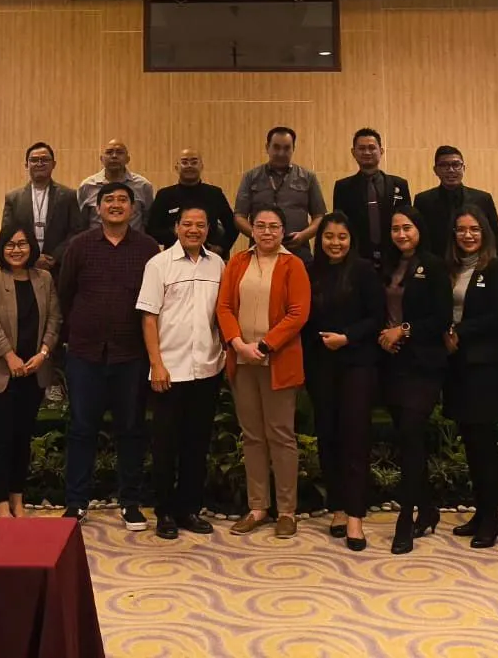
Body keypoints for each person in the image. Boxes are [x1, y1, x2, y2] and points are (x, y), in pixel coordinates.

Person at [56, 182, 162, 526]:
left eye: (123, 200)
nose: (116, 205)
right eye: (109, 200)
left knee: (131, 430)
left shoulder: (148, 248)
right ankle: (76, 502)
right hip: (85, 354)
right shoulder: (79, 245)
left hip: (131, 355)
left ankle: (130, 502)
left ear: (133, 208)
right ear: (97, 208)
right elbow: (65, 294)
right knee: (81, 429)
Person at [217, 205, 311, 539]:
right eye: (260, 226)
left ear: (283, 231)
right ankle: (258, 507)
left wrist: (266, 345)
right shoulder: (237, 262)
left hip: (277, 361)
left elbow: (298, 313)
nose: (267, 232)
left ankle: (286, 511)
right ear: (251, 230)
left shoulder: (293, 264)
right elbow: (224, 307)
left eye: (273, 226)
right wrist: (237, 344)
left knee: (281, 436)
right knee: (253, 436)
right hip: (242, 360)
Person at [137, 205, 226, 539]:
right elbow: (149, 318)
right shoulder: (158, 264)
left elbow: (223, 313)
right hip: (170, 370)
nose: (193, 230)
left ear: (208, 229)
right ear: (176, 227)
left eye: (200, 225)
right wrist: (156, 364)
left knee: (196, 444)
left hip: (207, 368)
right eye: (187, 224)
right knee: (165, 446)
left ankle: (189, 509)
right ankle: (165, 512)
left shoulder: (218, 264)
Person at [303, 211, 383, 551]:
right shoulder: (309, 271)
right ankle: (336, 506)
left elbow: (377, 317)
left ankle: (355, 516)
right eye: (329, 236)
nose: (335, 243)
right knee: (328, 436)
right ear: (319, 239)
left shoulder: (364, 270)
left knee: (354, 438)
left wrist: (347, 337)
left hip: (357, 364)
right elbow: (301, 318)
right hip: (320, 366)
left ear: (352, 240)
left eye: (342, 237)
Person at [377, 205, 452, 554]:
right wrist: (385, 335)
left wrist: (403, 330)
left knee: (410, 432)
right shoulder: (387, 266)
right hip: (392, 363)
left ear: (419, 229)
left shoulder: (433, 265)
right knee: (408, 439)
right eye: (395, 229)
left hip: (423, 365)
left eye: (407, 227)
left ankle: (405, 519)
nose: (401, 234)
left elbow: (441, 317)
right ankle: (428, 508)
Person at [0, 226, 61, 518]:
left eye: (22, 243)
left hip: (34, 371)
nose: (17, 249)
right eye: (10, 244)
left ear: (31, 247)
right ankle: (0, 501)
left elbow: (54, 319)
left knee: (23, 438)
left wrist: (43, 353)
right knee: (1, 439)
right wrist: (9, 356)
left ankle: (17, 498)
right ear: (2, 248)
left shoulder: (44, 279)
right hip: (1, 373)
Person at [445, 206, 498, 547]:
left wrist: (460, 331)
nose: (467, 235)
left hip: (484, 365)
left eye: (473, 229)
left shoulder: (495, 268)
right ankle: (482, 511)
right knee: (470, 442)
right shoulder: (452, 267)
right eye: (461, 229)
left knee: (484, 443)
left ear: (484, 232)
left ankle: (492, 519)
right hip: (457, 364)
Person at [233, 126, 327, 257]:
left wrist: (303, 236)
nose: (281, 153)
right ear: (267, 147)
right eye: (276, 147)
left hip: (298, 252)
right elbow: (239, 216)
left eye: (287, 148)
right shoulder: (251, 177)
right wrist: (256, 235)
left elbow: (319, 216)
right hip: (260, 253)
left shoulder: (308, 177)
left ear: (293, 149)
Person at [331, 129, 412, 269]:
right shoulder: (343, 187)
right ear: (353, 152)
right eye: (362, 148)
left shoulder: (399, 184)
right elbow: (340, 225)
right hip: (356, 259)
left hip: (394, 257)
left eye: (372, 147)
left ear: (381, 151)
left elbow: (408, 223)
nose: (367, 152)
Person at [0, 142, 81, 269]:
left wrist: (55, 257)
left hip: (58, 266)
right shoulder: (13, 198)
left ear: (54, 164)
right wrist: (32, 257)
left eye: (45, 160)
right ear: (26, 165)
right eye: (34, 160)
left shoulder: (69, 196)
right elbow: (7, 232)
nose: (40, 163)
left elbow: (76, 232)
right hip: (23, 265)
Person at [414, 145, 498, 263]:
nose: (451, 170)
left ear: (463, 168)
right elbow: (420, 240)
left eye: (456, 165)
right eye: (444, 165)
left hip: (476, 266)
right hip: (436, 265)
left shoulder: (482, 199)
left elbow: (496, 238)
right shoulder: (423, 201)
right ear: (435, 170)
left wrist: (497, 266)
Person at [147, 148, 237, 255]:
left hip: (208, 255)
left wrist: (222, 247)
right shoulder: (165, 195)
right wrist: (176, 233)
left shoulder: (214, 194)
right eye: (184, 162)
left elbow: (232, 226)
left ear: (201, 166)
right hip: (173, 255)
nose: (189, 166)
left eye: (194, 162)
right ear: (176, 167)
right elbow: (152, 230)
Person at [77, 139, 156, 232]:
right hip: (95, 240)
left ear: (128, 159)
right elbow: (81, 223)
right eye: (109, 152)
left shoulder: (143, 186)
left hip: (134, 240)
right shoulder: (87, 186)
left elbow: (149, 221)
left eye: (119, 152)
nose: (114, 156)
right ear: (101, 159)